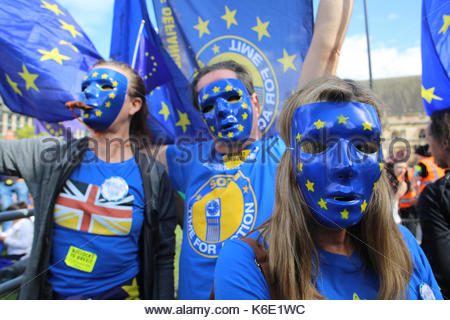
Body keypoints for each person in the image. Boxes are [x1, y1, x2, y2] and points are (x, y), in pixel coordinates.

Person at [152, 0, 354, 299]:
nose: (221, 110)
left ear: (255, 102)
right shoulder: (188, 159)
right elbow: (126, 147)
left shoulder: (284, 148)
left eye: (232, 97)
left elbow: (327, 50)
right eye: (208, 104)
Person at [214, 77, 443, 300]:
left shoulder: (405, 245)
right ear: (290, 165)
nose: (345, 165)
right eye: (318, 146)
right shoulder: (247, 262)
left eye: (364, 146)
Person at [0, 60, 177, 299]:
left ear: (134, 105)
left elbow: (162, 256)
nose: (90, 92)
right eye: (86, 86)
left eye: (105, 85)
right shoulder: (51, 156)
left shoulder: (153, 176)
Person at [418, 109, 450, 299]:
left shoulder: (436, 195)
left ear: (444, 141)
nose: (429, 150)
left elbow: (442, 268)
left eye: (430, 141)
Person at [0, 130, 30, 231]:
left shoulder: (20, 148)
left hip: (19, 181)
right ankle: (7, 233)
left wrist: (23, 178)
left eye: (9, 136)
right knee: (7, 209)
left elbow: (27, 163)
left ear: (15, 138)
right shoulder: (2, 148)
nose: (7, 138)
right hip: (5, 183)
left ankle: (25, 229)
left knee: (23, 207)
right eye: (6, 136)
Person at [0, 202, 33, 270]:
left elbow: (25, 244)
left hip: (20, 256)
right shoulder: (15, 223)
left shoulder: (26, 224)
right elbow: (6, 235)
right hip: (12, 254)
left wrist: (5, 239)